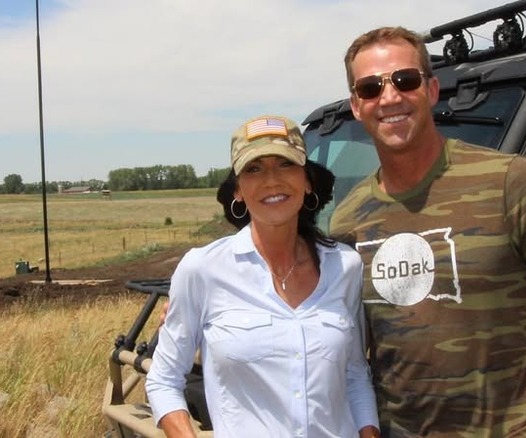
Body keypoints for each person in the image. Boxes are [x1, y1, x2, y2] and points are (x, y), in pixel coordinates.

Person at [329, 27, 526, 437]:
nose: (389, 97)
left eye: (405, 81)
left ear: (430, 90)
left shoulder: (509, 183)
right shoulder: (350, 219)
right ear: (357, 106)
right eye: (371, 87)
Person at [145, 115, 380, 438]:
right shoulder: (202, 270)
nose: (271, 180)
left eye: (285, 164)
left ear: (307, 180)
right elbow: (164, 380)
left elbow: (354, 374)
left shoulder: (345, 266)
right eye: (254, 169)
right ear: (238, 190)